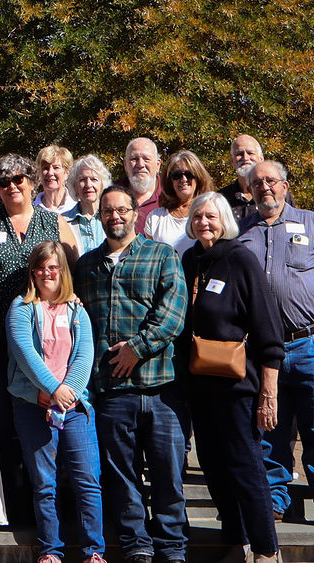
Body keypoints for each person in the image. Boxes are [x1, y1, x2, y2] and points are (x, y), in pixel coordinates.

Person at [238, 161, 314, 531]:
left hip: (313, 343)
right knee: (269, 428)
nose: (264, 188)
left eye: (270, 181)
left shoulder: (312, 223)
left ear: (285, 186)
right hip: (262, 352)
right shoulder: (241, 230)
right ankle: (275, 499)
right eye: (257, 183)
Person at [72, 185, 190, 563]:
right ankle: (136, 542)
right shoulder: (86, 266)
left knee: (167, 474)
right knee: (121, 476)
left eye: (122, 209)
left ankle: (172, 545)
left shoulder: (162, 256)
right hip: (111, 391)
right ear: (100, 216)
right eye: (108, 211)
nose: (115, 216)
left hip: (160, 387)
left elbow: (172, 314)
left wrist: (134, 350)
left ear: (135, 212)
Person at [0, 154, 77, 517]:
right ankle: (4, 505)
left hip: (48, 346)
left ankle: (49, 506)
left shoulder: (56, 223)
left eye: (18, 180)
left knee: (43, 425)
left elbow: (74, 280)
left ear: (32, 181)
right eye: (3, 183)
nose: (12, 187)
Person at [179, 192, 283, 563]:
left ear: (224, 219)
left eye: (211, 216)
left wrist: (267, 392)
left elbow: (268, 329)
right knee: (212, 462)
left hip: (237, 385)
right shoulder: (191, 260)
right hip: (200, 385)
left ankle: (266, 549)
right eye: (197, 217)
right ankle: (235, 538)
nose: (204, 223)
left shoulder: (241, 259)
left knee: (245, 465)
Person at [6, 241, 104, 563]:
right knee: (44, 485)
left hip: (74, 409)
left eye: (53, 267)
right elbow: (25, 354)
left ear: (63, 271)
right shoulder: (20, 308)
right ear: (32, 272)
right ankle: (51, 550)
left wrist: (70, 391)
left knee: (87, 482)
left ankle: (94, 551)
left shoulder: (77, 311)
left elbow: (85, 354)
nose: (47, 273)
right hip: (34, 407)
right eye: (41, 267)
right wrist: (52, 389)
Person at [144, 150, 214, 256]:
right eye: (177, 175)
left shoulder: (212, 214)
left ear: (199, 177)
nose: (183, 179)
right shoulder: (155, 218)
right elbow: (151, 259)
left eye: (189, 174)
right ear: (169, 180)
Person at [216, 135, 295, 224]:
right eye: (239, 154)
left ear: (261, 158)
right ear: (232, 161)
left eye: (250, 153)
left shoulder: (278, 194)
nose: (245, 158)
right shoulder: (220, 199)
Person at [61, 155, 109, 256]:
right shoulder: (63, 222)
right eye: (82, 180)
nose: (88, 185)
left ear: (102, 184)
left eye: (94, 179)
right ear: (75, 186)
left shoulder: (112, 218)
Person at [115, 137, 163, 233]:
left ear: (158, 164)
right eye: (134, 159)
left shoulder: (171, 193)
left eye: (146, 159)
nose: (140, 164)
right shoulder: (112, 192)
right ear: (125, 164)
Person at [33, 144, 77, 213]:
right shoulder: (32, 211)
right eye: (45, 168)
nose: (50, 172)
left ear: (67, 172)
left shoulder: (76, 208)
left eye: (56, 167)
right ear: (39, 173)